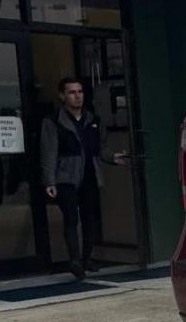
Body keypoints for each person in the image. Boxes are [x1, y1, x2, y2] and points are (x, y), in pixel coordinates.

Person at [39, 77, 126, 278]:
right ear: (62, 96)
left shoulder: (93, 119)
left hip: (89, 173)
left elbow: (99, 148)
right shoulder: (53, 121)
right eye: (72, 92)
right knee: (71, 217)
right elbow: (49, 152)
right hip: (65, 176)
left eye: (80, 92)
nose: (77, 96)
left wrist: (113, 157)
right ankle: (75, 260)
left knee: (90, 219)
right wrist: (49, 181)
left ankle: (87, 258)